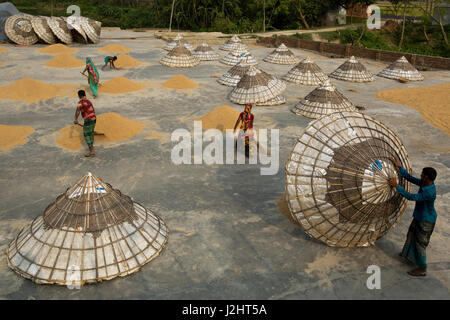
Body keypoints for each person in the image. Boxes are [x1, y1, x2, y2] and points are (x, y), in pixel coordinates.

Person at [388, 158, 437, 277]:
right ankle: (408, 255)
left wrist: (397, 186)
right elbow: (411, 179)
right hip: (420, 216)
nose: (420, 175)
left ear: (426, 177)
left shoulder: (429, 192)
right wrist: (400, 168)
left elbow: (411, 197)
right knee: (411, 234)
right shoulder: (425, 183)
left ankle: (422, 268)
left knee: (420, 244)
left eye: (422, 174)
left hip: (426, 220)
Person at [74, 90, 96, 157]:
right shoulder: (88, 101)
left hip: (88, 119)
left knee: (86, 134)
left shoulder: (80, 102)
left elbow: (78, 111)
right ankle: (92, 147)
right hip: (94, 119)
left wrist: (76, 119)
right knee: (91, 133)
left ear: (79, 96)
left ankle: (91, 151)